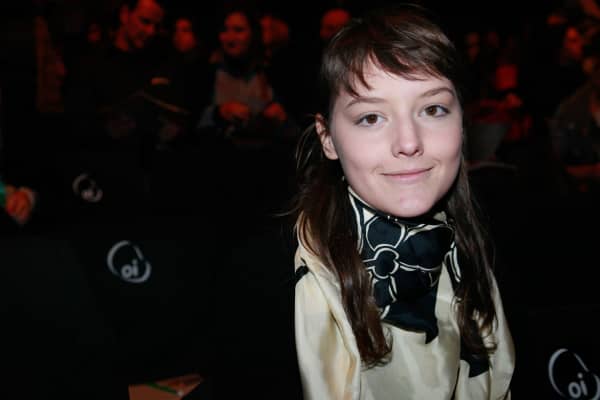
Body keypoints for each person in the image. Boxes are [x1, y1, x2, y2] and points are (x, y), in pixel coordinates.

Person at [212, 4, 515, 399]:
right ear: (327, 138)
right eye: (371, 118)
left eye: (432, 109)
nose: (409, 142)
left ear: (461, 124)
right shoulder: (264, 284)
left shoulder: (483, 257)